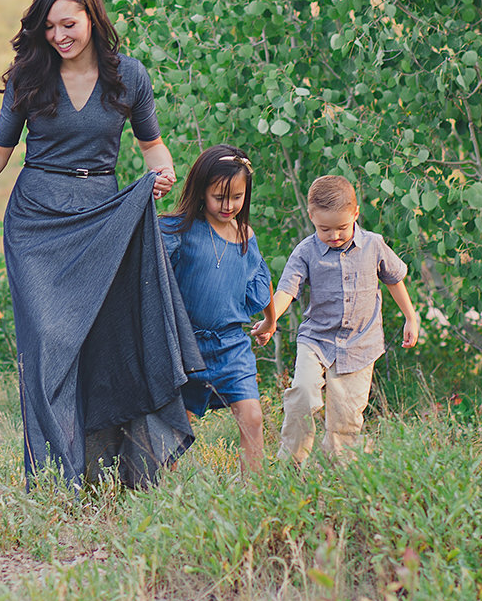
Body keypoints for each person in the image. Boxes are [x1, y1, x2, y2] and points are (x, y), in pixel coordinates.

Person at [0, 0, 199, 488]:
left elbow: (152, 145)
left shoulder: (128, 76)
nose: (59, 36)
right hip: (37, 222)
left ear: (92, 17)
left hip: (103, 217)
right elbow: (0, 149)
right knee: (46, 341)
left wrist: (164, 172)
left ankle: (107, 470)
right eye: (49, 27)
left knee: (99, 343)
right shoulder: (28, 77)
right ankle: (51, 476)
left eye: (69, 24)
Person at [251, 175, 420, 463]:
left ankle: (339, 476)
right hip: (316, 340)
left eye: (342, 227)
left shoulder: (374, 245)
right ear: (311, 217)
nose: (335, 235)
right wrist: (270, 320)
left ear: (356, 214)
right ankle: (290, 467)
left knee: (345, 419)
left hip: (360, 343)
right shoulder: (305, 251)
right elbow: (286, 290)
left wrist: (411, 318)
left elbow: (394, 279)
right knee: (302, 395)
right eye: (324, 229)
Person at [159, 146, 273, 474]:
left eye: (236, 197)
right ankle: (161, 489)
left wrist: (269, 321)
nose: (228, 206)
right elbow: (147, 267)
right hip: (185, 348)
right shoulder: (179, 229)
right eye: (219, 197)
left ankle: (253, 493)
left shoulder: (245, 236)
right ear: (200, 191)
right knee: (176, 429)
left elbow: (259, 282)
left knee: (251, 417)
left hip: (231, 346)